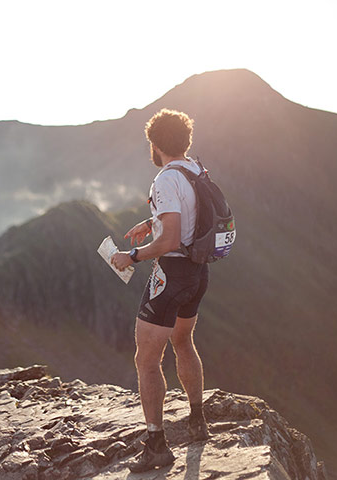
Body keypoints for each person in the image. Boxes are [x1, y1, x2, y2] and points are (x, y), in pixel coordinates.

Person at [111, 108, 210, 473]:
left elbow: (169, 238)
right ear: (186, 141)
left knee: (146, 360)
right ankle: (198, 421)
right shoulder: (195, 170)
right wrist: (150, 221)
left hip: (171, 274)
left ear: (155, 144)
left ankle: (156, 445)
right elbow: (186, 219)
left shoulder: (165, 178)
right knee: (183, 342)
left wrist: (132, 256)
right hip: (198, 273)